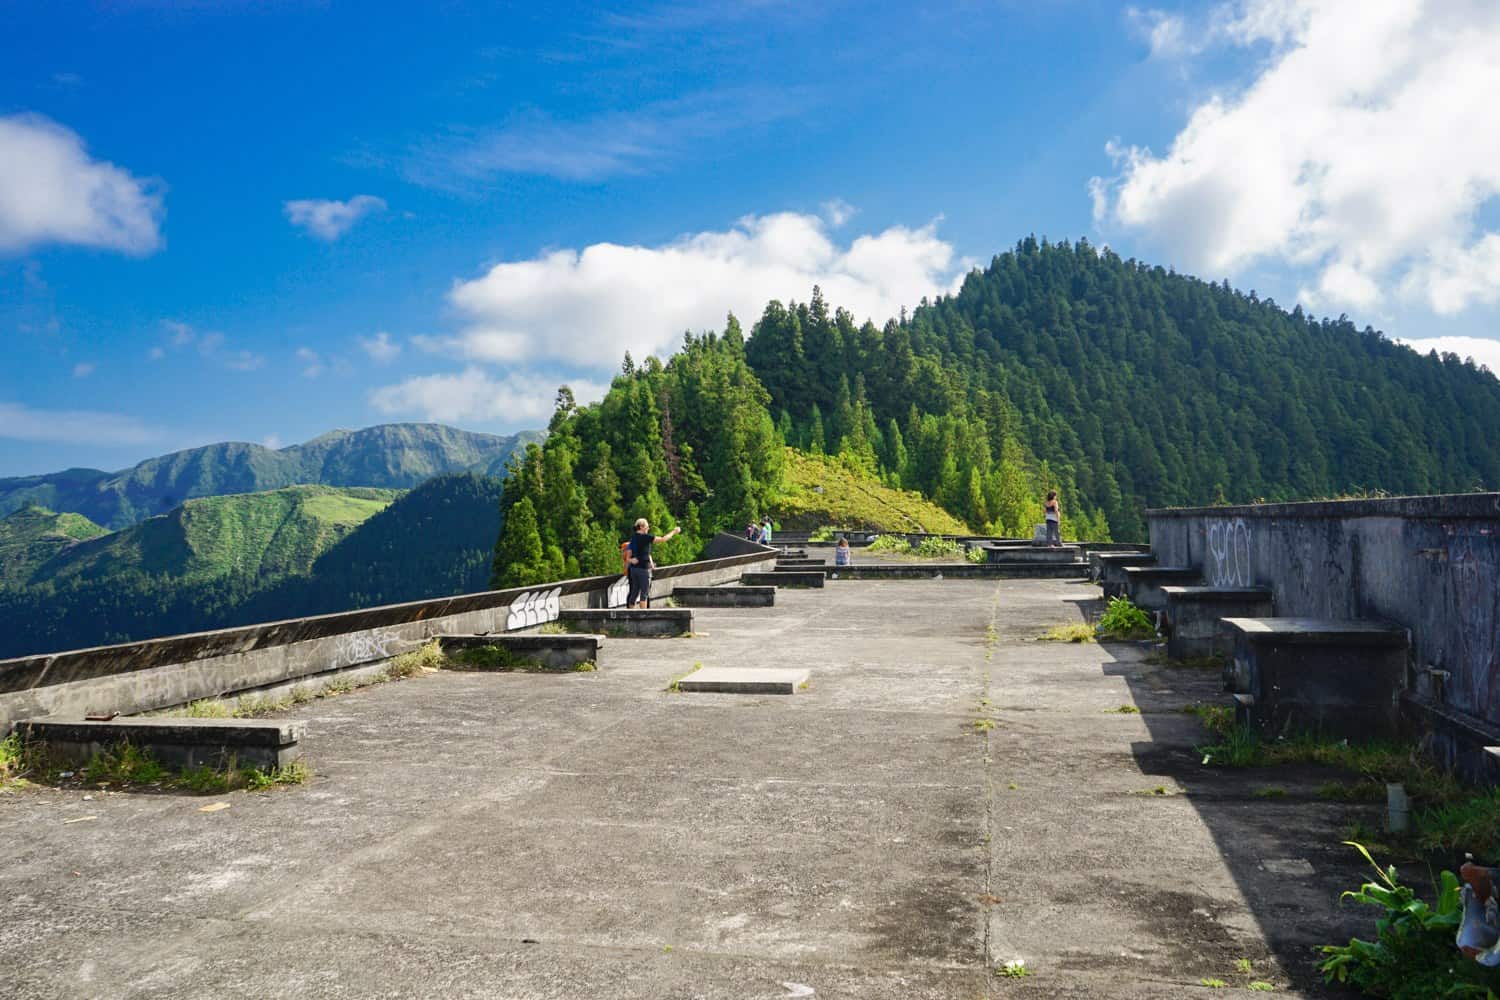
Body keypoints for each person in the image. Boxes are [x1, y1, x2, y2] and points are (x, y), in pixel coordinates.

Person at [626, 517, 681, 609]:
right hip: (643, 569)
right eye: (647, 527)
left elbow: (633, 553)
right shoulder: (646, 537)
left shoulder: (633, 538)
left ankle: (630, 614)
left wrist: (633, 560)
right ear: (642, 527)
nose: (648, 529)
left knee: (634, 592)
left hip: (633, 569)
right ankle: (643, 616)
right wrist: (674, 532)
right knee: (644, 593)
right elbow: (663, 539)